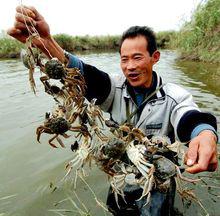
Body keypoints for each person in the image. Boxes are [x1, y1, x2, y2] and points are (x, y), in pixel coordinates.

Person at [8, 6, 218, 216]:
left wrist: (204, 133)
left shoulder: (174, 95)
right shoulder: (114, 88)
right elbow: (82, 74)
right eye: (124, 59)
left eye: (137, 57)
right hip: (121, 170)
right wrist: (46, 41)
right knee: (116, 209)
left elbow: (189, 117)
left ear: (155, 57)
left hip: (158, 174)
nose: (130, 67)